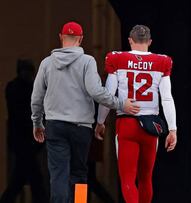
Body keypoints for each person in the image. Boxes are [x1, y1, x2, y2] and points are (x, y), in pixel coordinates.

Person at [31, 21, 140, 203]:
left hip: (55, 125)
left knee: (58, 175)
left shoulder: (46, 64)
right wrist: (121, 104)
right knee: (79, 174)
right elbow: (97, 92)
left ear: (60, 37)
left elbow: (36, 97)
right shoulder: (87, 62)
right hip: (81, 128)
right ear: (81, 39)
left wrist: (37, 123)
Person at [94, 24, 177, 203]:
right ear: (150, 42)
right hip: (150, 126)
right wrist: (172, 129)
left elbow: (109, 95)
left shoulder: (118, 59)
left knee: (128, 180)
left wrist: (101, 121)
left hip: (127, 124)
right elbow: (167, 99)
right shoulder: (161, 61)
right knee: (146, 179)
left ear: (130, 40)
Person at [1, 59, 47, 203]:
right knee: (32, 179)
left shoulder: (14, 87)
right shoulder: (24, 89)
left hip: (21, 140)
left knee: (21, 178)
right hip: (26, 140)